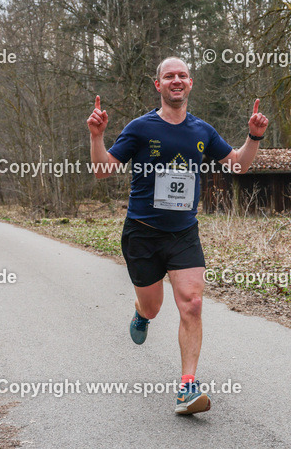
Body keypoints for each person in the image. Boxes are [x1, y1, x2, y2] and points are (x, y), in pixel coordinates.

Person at [87, 57, 268, 415]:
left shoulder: (202, 130)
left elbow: (238, 165)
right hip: (142, 232)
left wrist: (254, 136)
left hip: (184, 232)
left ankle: (187, 387)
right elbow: (103, 171)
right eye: (169, 76)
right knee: (154, 306)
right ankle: (141, 313)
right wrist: (97, 136)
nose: (176, 80)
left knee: (193, 303)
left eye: (182, 75)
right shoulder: (140, 128)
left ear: (190, 83)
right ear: (158, 85)